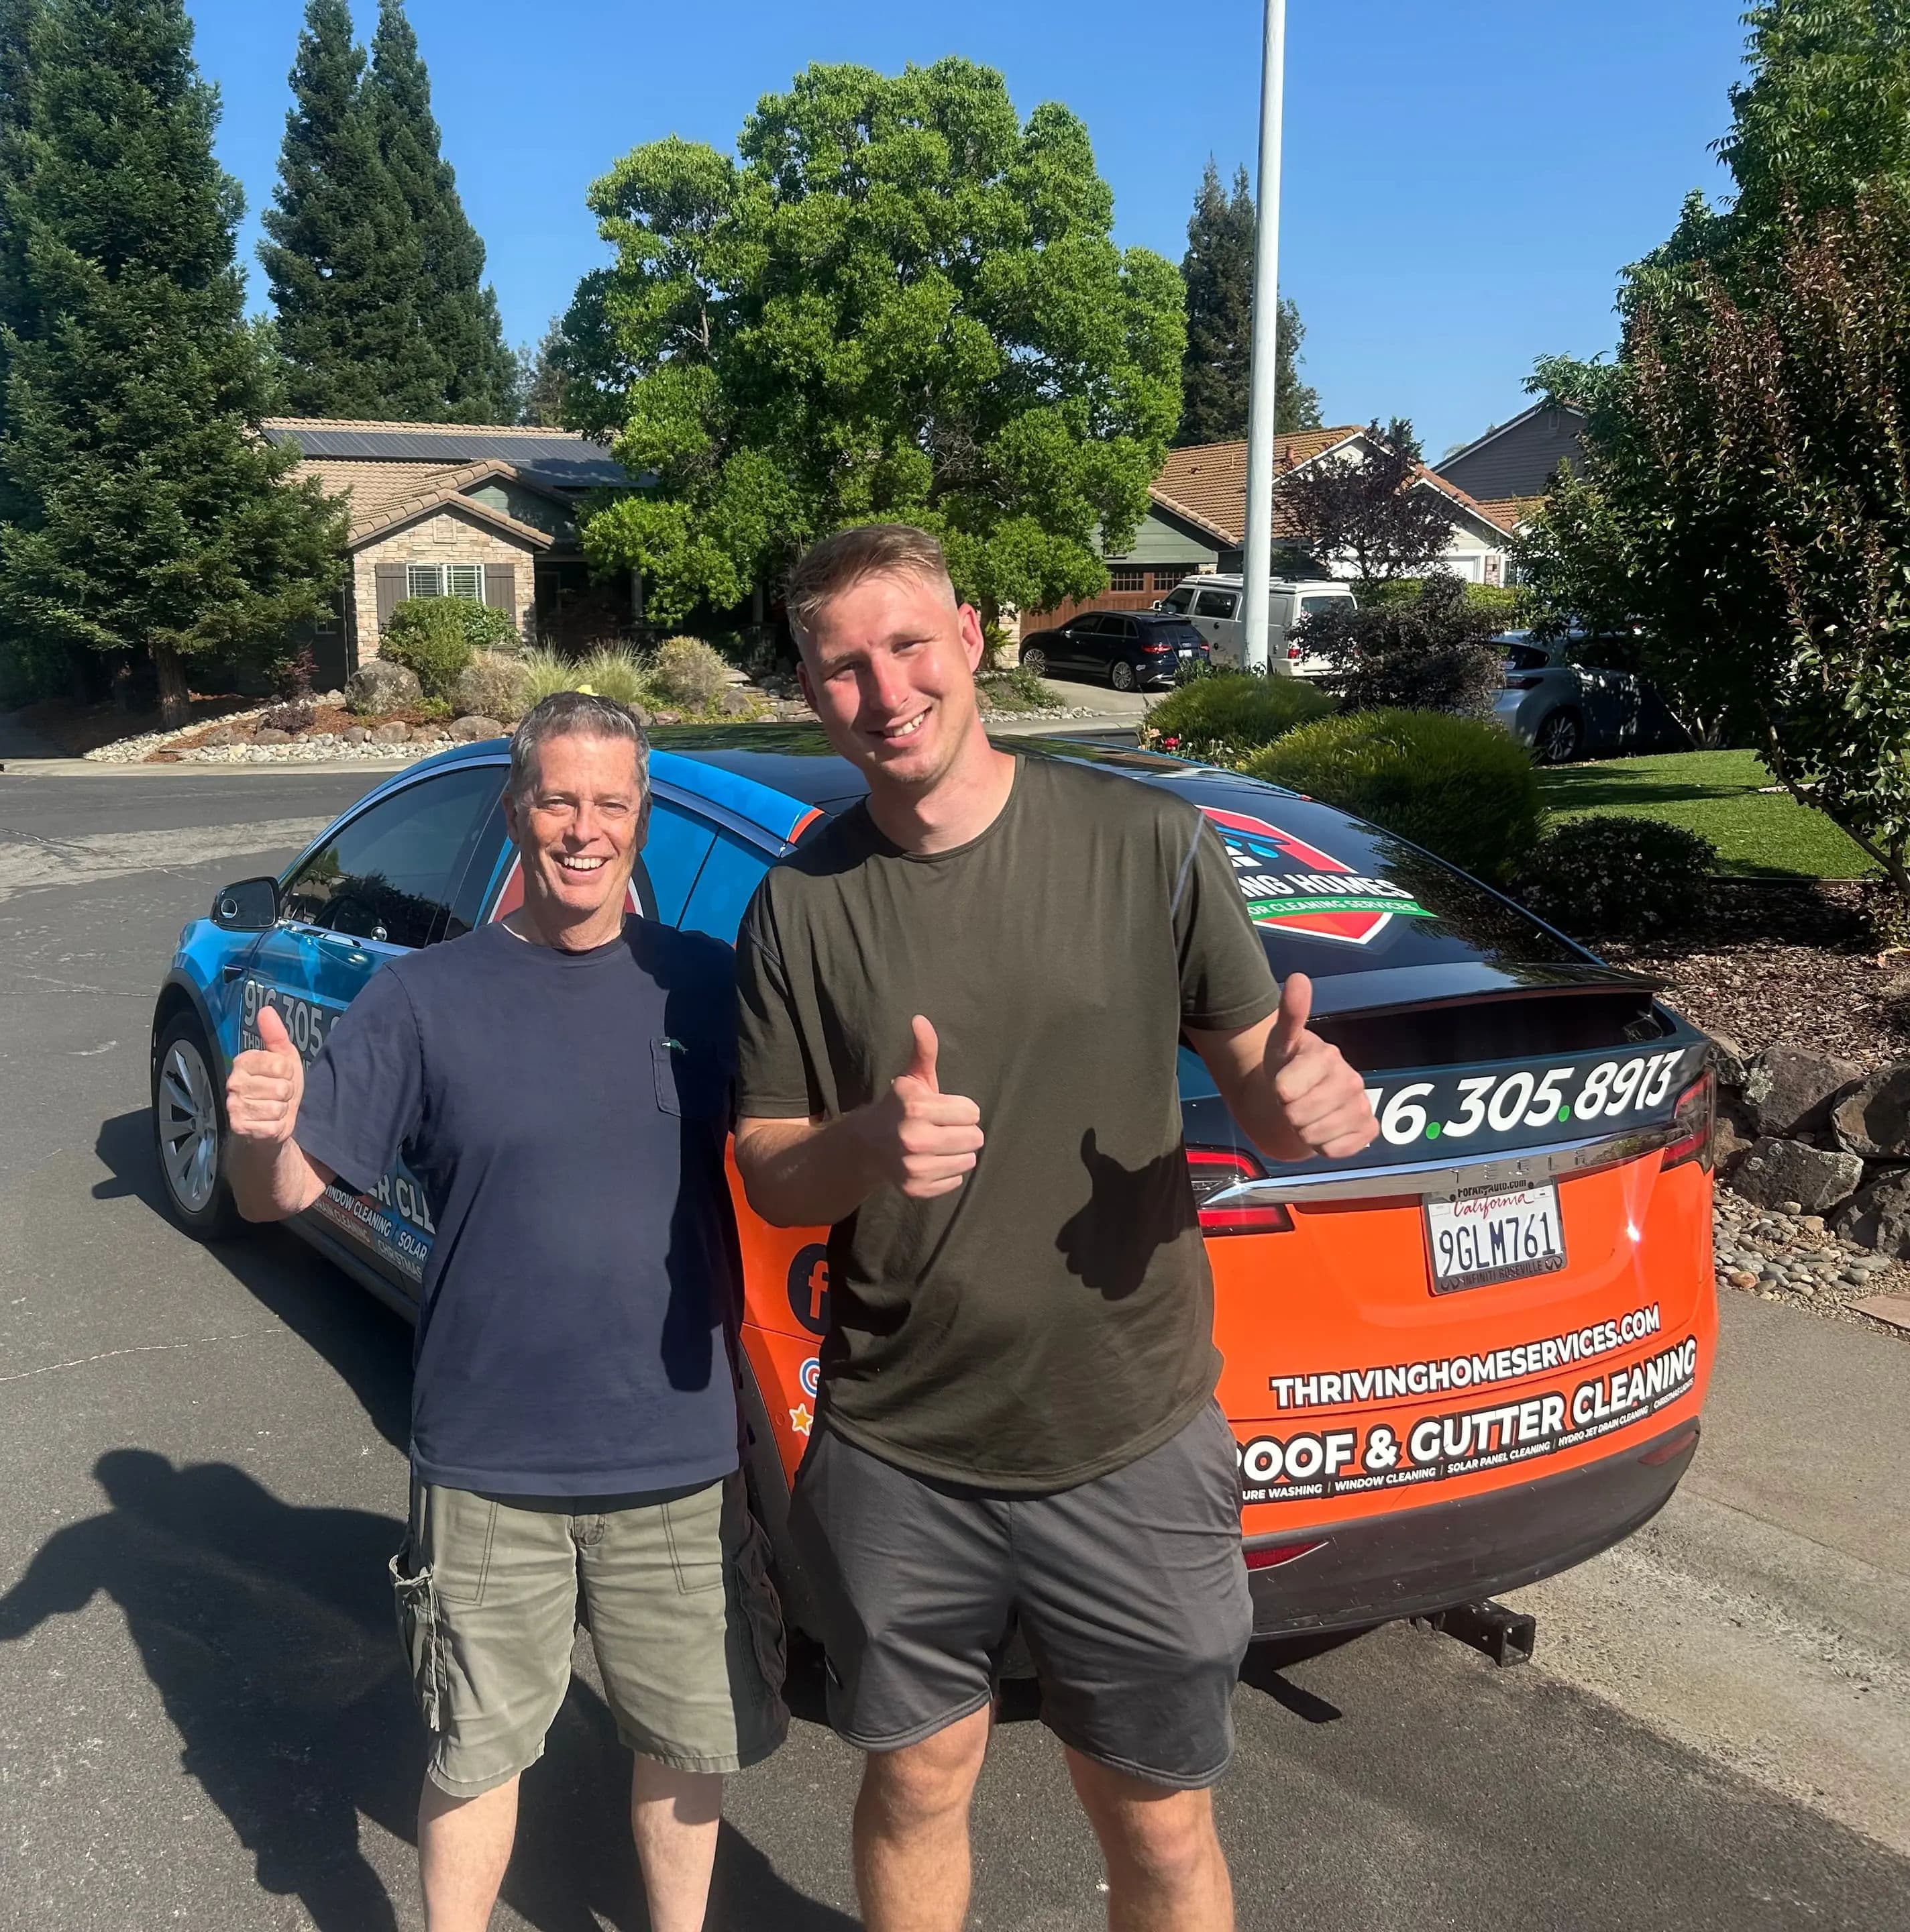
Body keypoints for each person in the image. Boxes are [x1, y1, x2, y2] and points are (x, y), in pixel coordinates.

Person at [731, 525, 1378, 1932]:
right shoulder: (797, 905)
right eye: (843, 667)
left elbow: (1263, 1085)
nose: (883, 689)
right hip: (902, 1446)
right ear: (810, 689)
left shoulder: (1145, 844)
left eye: (908, 647)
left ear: (974, 639)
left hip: (1128, 1439)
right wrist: (868, 1146)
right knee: (916, 1782)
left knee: (1154, 1813)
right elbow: (774, 1170)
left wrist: (1301, 1099)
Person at [222, 692, 787, 1932]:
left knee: (689, 1746)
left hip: (680, 1456)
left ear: (642, 821)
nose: (583, 830)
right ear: (514, 806)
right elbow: (288, 1194)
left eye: (611, 804)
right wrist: (258, 1138)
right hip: (488, 1464)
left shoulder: (707, 987)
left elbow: (806, 1149)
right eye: (557, 800)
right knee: (477, 1755)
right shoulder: (427, 1000)